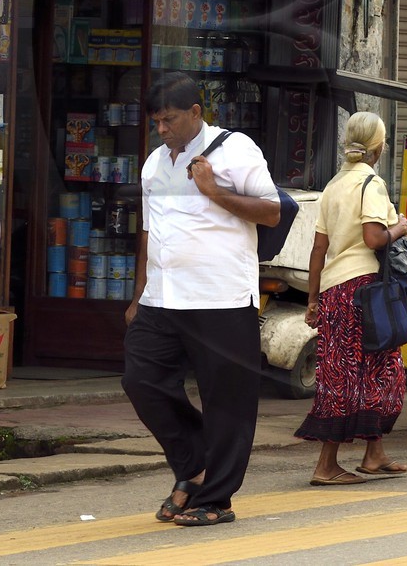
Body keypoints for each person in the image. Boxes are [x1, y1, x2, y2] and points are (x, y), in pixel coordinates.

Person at [123, 72, 282, 527]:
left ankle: (217, 498)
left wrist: (215, 192)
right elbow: (149, 232)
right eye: (156, 122)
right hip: (163, 298)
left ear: (196, 112)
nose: (162, 130)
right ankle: (193, 464)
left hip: (221, 298)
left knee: (227, 403)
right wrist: (139, 295)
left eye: (169, 120)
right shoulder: (155, 162)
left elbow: (270, 211)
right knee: (141, 380)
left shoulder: (237, 150)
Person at [296, 112, 407, 483]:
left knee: (363, 371)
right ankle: (326, 465)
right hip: (363, 292)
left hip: (334, 290)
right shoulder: (371, 184)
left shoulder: (333, 185)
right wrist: (401, 227)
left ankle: (374, 453)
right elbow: (374, 239)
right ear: (378, 148)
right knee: (362, 375)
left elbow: (318, 248)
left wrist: (312, 299)